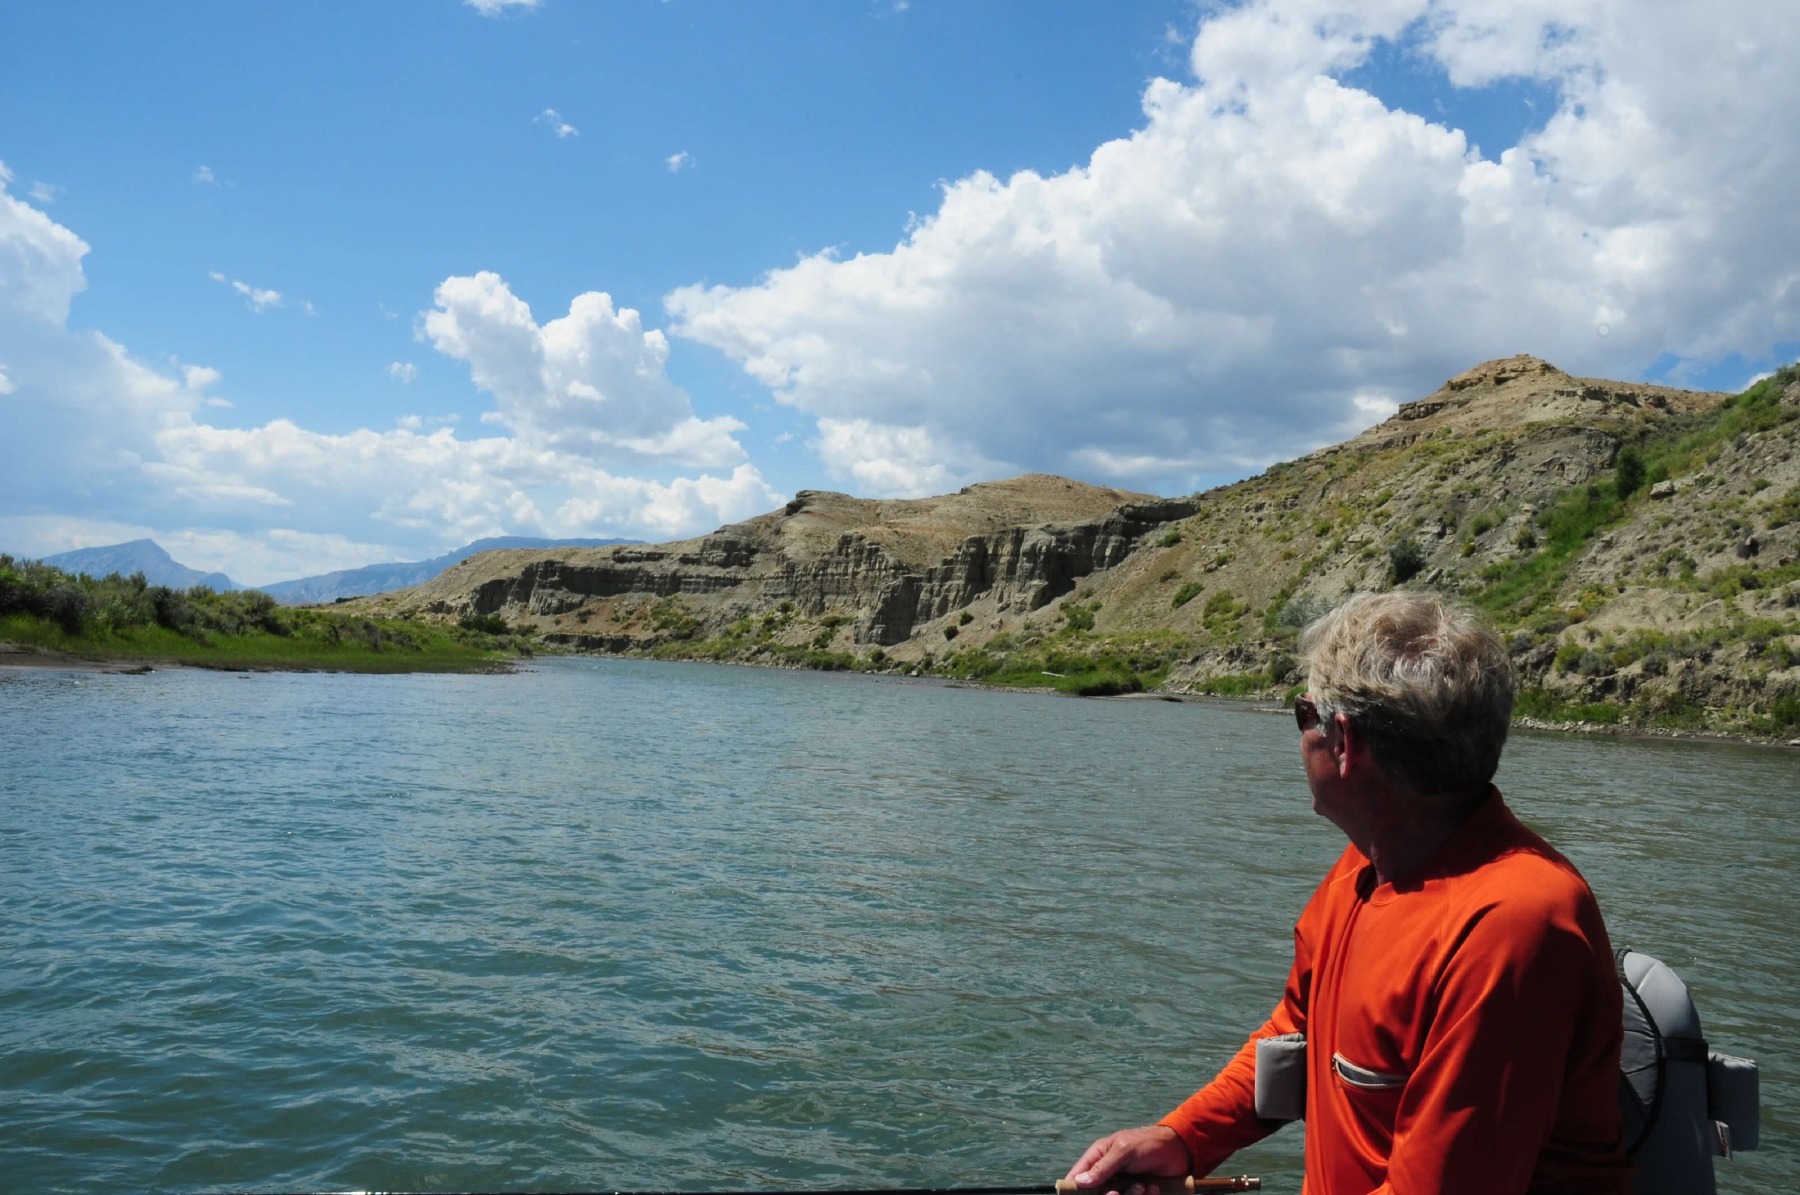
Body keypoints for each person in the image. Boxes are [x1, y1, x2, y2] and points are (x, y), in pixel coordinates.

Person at [1065, 592, 1632, 1194]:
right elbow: (1298, 1035)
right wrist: (1185, 1139)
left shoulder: (1513, 924)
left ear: (1344, 743)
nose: (1298, 734)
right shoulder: (1366, 866)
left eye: (1300, 713)